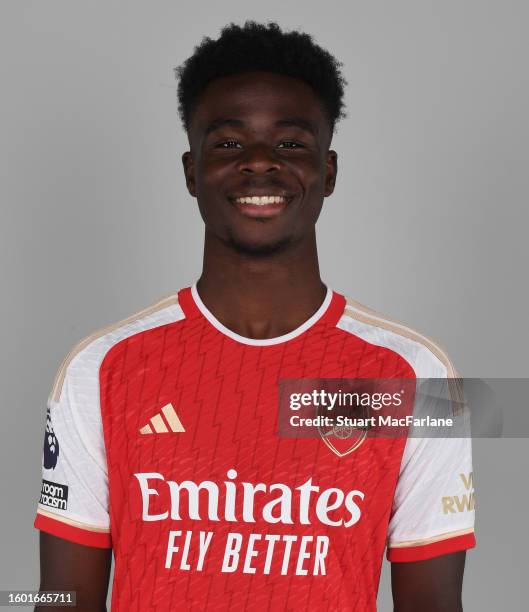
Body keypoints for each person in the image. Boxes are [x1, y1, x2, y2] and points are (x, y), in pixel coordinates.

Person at [35, 21, 475, 612]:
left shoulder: (417, 378)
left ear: (329, 171)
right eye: (229, 143)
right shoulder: (101, 369)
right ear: (191, 172)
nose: (260, 163)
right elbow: (60, 600)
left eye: (291, 143)